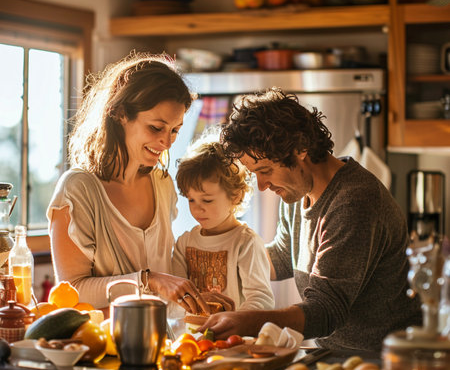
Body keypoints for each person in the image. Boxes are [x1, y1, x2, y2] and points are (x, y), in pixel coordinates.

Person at [197, 87, 422, 351]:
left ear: (301, 148)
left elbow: (326, 310)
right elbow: (283, 256)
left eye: (266, 170)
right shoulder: (298, 190)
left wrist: (249, 322)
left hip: (383, 361)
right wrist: (220, 267)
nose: (261, 185)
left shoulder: (354, 202)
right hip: (336, 355)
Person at [47, 52, 216, 315]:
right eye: (156, 127)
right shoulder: (78, 190)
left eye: (174, 130)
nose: (168, 142)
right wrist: (148, 280)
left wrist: (201, 295)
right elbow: (72, 291)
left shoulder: (162, 183)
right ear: (119, 114)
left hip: (169, 342)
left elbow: (167, 276)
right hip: (107, 347)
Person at [172, 134, 275, 311]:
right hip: (190, 337)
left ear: (236, 196)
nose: (197, 209)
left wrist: (232, 320)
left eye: (207, 200)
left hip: (233, 337)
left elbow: (261, 300)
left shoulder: (245, 243)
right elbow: (174, 300)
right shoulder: (185, 242)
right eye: (191, 200)